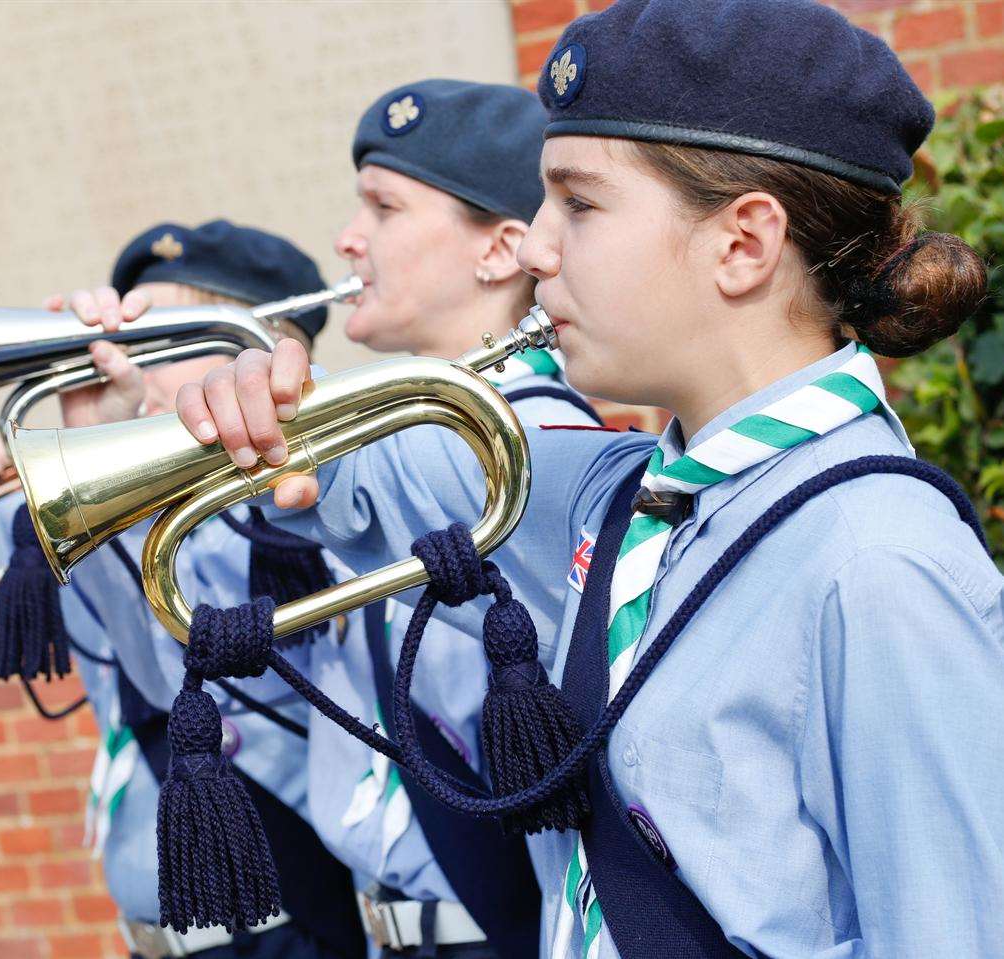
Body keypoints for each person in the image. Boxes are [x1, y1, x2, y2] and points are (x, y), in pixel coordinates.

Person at [168, 3, 1003, 956]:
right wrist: (270, 407)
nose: (532, 246)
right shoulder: (617, 496)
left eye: (580, 202)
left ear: (744, 244)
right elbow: (377, 472)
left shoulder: (879, 561)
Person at [66, 80, 601, 958]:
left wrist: (225, 409)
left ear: (502, 251)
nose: (349, 240)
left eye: (384, 208)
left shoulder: (524, 440)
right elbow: (199, 675)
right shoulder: (403, 443)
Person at [0, 220, 366, 959]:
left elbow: (176, 672)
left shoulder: (288, 519)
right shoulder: (75, 500)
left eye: (161, 341)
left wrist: (103, 495)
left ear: (258, 349)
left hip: (287, 926)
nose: (133, 369)